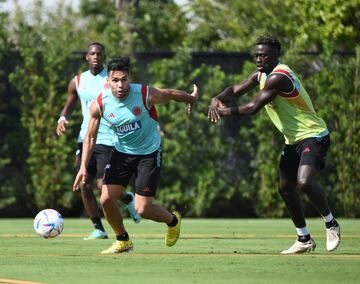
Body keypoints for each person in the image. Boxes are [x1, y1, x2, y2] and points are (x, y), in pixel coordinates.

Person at [208, 35, 340, 254]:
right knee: (286, 188)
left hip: (313, 135)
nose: (259, 59)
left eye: (264, 55)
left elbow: (252, 108)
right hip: (292, 140)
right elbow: (235, 89)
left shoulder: (278, 77)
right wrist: (216, 98)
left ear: (276, 55)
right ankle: (304, 238)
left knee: (305, 181)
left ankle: (331, 224)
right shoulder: (260, 74)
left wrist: (222, 111)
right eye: (257, 55)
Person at [73, 56, 198, 254]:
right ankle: (123, 240)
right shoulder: (99, 104)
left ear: (130, 77)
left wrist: (190, 98)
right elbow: (90, 138)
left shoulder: (145, 94)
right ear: (108, 81)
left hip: (149, 153)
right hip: (122, 153)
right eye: (115, 80)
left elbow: (170, 94)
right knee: (106, 199)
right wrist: (82, 167)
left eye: (124, 79)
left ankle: (173, 221)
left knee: (142, 210)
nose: (120, 85)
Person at [56, 43, 141, 240]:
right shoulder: (77, 81)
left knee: (104, 185)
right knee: (84, 183)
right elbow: (68, 106)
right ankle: (99, 228)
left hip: (109, 138)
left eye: (99, 54)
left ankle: (127, 198)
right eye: (92, 53)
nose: (96, 56)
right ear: (86, 56)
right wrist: (62, 118)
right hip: (85, 138)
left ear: (104, 57)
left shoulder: (112, 79)